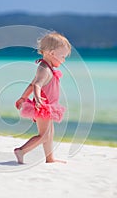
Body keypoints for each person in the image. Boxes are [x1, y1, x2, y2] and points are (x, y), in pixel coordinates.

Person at [14, 32, 71, 164]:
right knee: (44, 135)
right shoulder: (44, 68)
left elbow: (31, 84)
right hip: (43, 107)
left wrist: (23, 98)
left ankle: (50, 158)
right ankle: (21, 150)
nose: (64, 60)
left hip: (49, 106)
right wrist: (38, 100)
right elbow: (37, 85)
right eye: (62, 56)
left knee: (49, 134)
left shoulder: (49, 68)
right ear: (51, 53)